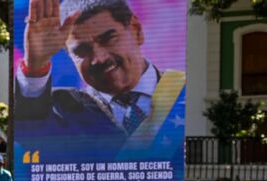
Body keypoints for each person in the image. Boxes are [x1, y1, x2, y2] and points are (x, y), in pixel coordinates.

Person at [16, 0, 186, 148]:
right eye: (82, 51)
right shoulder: (64, 109)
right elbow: (31, 133)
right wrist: (35, 65)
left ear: (136, 30)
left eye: (108, 39)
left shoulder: (183, 92)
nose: (99, 58)